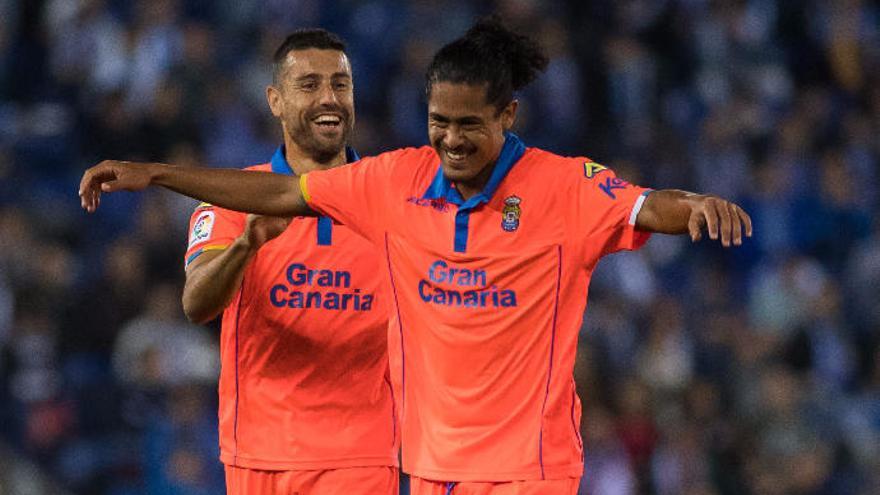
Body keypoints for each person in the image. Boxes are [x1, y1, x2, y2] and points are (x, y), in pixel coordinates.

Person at [80, 17, 752, 495]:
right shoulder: (386, 185)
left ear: (507, 117)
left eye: (468, 125)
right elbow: (254, 228)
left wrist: (694, 206)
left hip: (472, 463)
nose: (451, 140)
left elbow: (644, 203)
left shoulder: (553, 185)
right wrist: (163, 176)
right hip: (389, 465)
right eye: (440, 122)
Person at [174, 30, 397, 494]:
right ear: (275, 100)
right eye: (310, 85)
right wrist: (246, 245)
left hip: (362, 455)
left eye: (341, 84)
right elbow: (197, 305)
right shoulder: (232, 199)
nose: (329, 98)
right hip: (259, 456)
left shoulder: (394, 202)